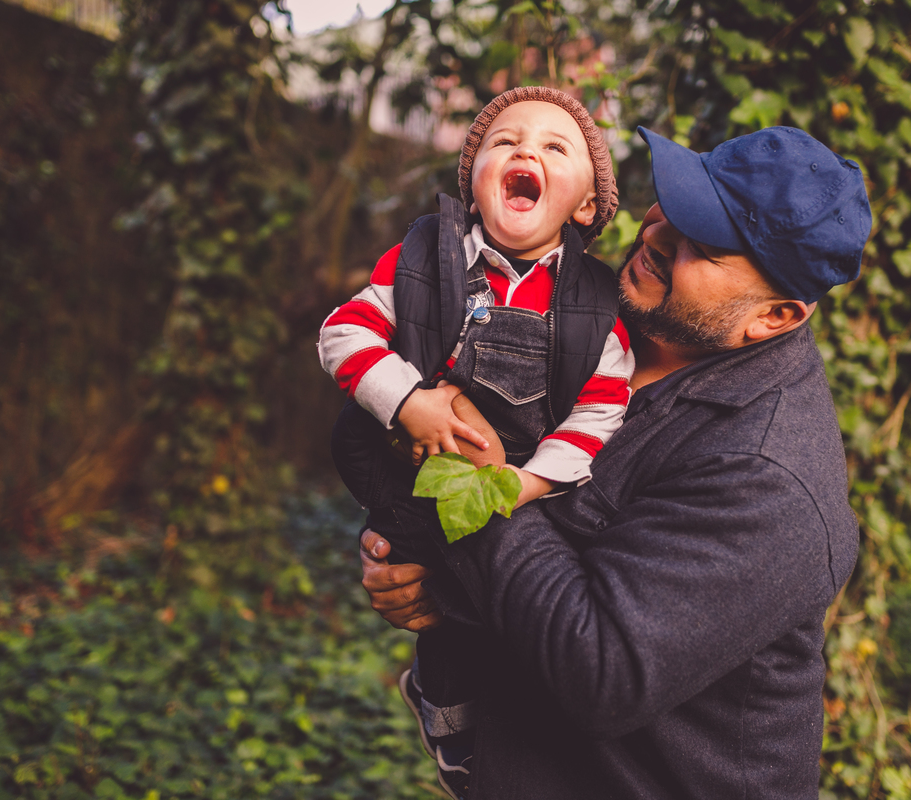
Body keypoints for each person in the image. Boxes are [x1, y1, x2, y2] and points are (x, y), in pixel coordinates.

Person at [358, 124, 871, 799]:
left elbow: (602, 669)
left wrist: (476, 476)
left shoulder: (767, 476)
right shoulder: (586, 315)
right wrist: (431, 574)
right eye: (675, 204)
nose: (657, 237)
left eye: (704, 246)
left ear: (773, 317)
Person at [317, 87, 634, 796]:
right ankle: (447, 720)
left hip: (506, 498)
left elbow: (597, 415)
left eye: (556, 148)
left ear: (585, 205)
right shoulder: (422, 260)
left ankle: (488, 738)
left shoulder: (594, 308)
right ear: (475, 182)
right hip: (408, 479)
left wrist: (528, 484)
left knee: (486, 623)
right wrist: (409, 403)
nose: (526, 151)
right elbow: (343, 333)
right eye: (505, 141)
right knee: (431, 611)